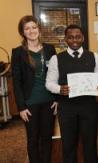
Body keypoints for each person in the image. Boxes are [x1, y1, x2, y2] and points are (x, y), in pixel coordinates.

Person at [46, 24, 98, 163]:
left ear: (83, 38)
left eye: (78, 37)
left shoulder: (94, 56)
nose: (74, 40)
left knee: (90, 144)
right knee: (68, 145)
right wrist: (60, 89)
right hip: (67, 108)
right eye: (70, 37)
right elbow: (49, 83)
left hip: (89, 107)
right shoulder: (56, 59)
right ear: (66, 39)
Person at [11, 15, 57, 163]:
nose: (31, 31)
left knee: (47, 138)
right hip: (29, 104)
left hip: (49, 101)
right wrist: (21, 107)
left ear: (39, 29)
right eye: (27, 28)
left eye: (34, 27)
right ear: (22, 32)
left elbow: (57, 75)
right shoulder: (18, 52)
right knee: (32, 139)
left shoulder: (50, 49)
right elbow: (16, 82)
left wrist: (57, 99)